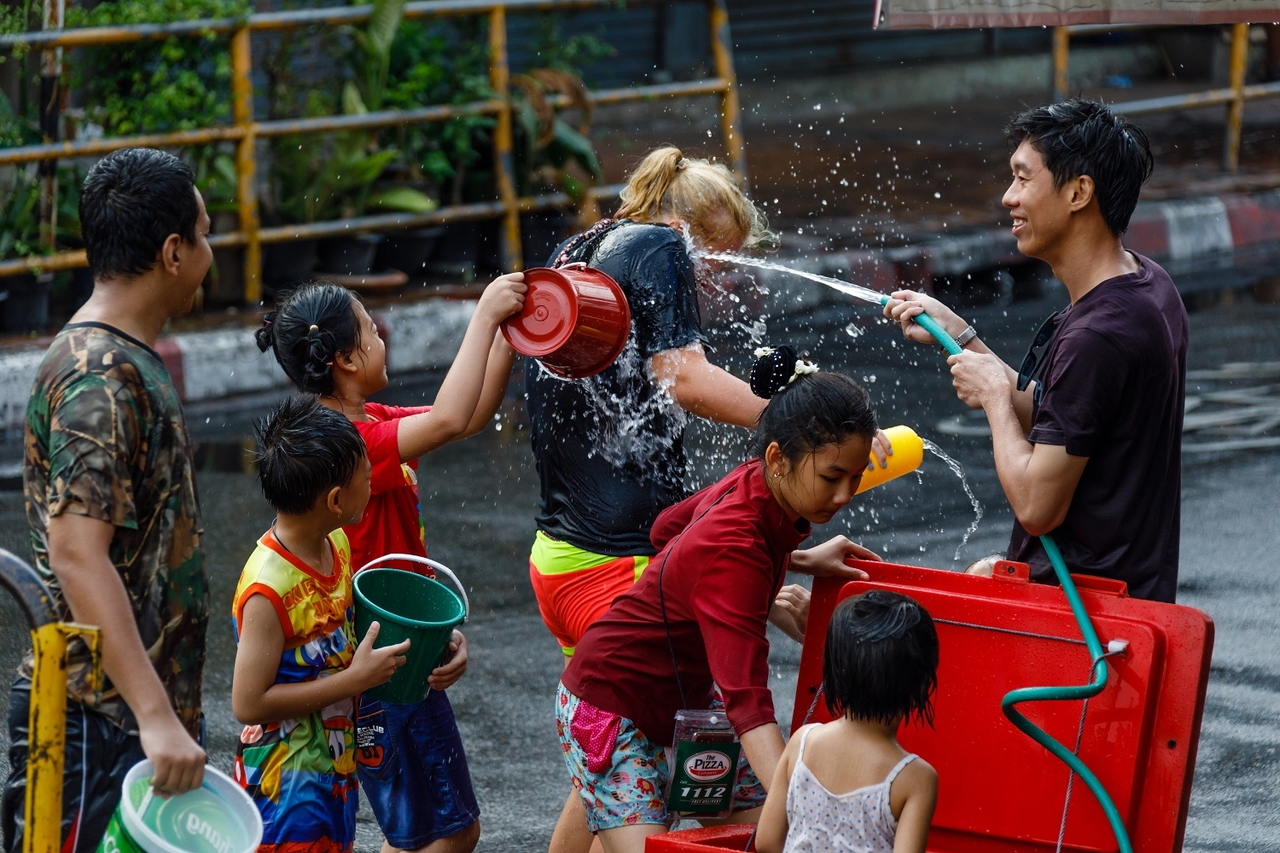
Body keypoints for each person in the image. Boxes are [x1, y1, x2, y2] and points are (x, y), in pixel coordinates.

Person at [528, 149, 889, 852]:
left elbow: (677, 527)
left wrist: (786, 560)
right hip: (612, 560)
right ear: (676, 224)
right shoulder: (660, 244)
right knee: (631, 758)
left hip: (564, 554)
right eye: (714, 258)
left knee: (608, 752)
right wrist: (805, 422)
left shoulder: (585, 244)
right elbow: (685, 379)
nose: (718, 278)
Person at [556, 346, 885, 853]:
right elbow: (747, 705)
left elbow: (669, 530)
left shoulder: (757, 484)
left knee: (756, 829)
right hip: (607, 705)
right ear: (778, 459)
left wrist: (790, 567)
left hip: (677, 698)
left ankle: (611, 798)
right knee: (760, 824)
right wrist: (814, 817)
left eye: (855, 476)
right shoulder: (736, 551)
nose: (844, 495)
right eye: (831, 477)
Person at [256, 273, 524, 853]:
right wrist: (482, 315)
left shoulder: (368, 418)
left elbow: (468, 414)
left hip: (405, 642)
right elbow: (451, 420)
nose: (382, 337)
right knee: (444, 834)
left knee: (437, 831)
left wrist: (508, 334)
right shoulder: (350, 445)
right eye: (372, 331)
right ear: (347, 359)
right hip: (380, 661)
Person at [885, 99, 1187, 603]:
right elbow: (1065, 419)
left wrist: (995, 402)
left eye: (1023, 179)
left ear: (1078, 192)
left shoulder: (1100, 334)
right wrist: (961, 336)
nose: (1008, 198)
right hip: (1123, 598)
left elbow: (1037, 505)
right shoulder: (1146, 282)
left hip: (1084, 619)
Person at [2, 148, 212, 853]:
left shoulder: (120, 360)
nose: (211, 253)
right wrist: (155, 714)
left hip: (129, 715)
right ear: (172, 251)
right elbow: (74, 550)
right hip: (98, 718)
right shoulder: (101, 378)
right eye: (204, 235)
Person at [232, 395, 409, 852]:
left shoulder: (336, 545)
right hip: (285, 786)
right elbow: (249, 704)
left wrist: (435, 644)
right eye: (367, 480)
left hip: (333, 770)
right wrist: (352, 681)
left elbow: (351, 631)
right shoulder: (266, 590)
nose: (373, 485)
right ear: (334, 500)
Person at [755, 591, 939, 853]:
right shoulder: (915, 778)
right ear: (923, 682)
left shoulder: (803, 742)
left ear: (833, 669)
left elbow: (767, 842)